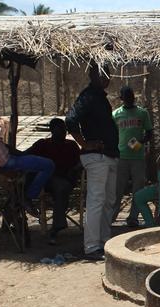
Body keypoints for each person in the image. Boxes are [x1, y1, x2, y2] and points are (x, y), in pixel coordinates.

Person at [65, 65, 119, 261]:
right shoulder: (88, 96)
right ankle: (91, 247)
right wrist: (85, 144)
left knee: (108, 201)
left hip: (110, 155)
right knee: (97, 201)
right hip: (97, 156)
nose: (107, 77)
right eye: (102, 73)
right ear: (92, 75)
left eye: (108, 73)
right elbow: (70, 120)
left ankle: (104, 242)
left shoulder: (100, 97)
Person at [0, 94, 54, 217]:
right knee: (48, 165)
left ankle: (20, 196)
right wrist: (2, 171)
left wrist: (21, 154)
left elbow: (1, 146)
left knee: (33, 166)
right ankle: (28, 197)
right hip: (7, 163)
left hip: (10, 159)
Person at [26, 118, 82, 245]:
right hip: (45, 180)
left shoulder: (71, 146)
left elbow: (81, 161)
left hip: (64, 179)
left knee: (61, 189)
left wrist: (75, 169)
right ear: (52, 130)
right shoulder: (43, 144)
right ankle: (23, 206)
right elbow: (26, 155)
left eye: (64, 130)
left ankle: (56, 227)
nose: (62, 132)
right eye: (59, 130)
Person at [112, 86, 153, 227]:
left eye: (131, 96)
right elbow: (112, 135)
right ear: (121, 98)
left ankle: (133, 218)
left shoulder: (142, 113)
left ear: (133, 97)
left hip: (138, 158)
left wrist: (139, 142)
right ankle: (112, 216)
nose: (129, 99)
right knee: (118, 189)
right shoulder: (115, 114)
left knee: (138, 189)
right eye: (125, 96)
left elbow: (149, 133)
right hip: (121, 157)